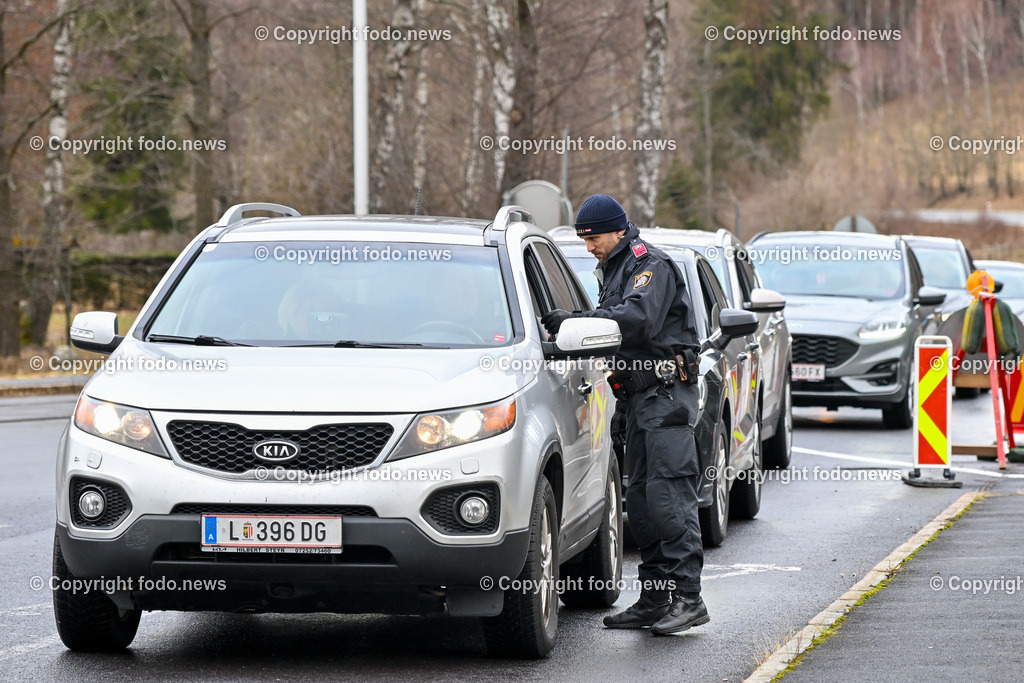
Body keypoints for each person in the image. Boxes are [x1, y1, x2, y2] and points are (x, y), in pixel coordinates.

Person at [541, 194, 708, 636]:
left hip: (666, 397)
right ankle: (655, 599)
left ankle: (690, 599)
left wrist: (580, 321)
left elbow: (635, 319)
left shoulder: (649, 265)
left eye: (593, 237)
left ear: (617, 230)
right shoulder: (615, 269)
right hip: (639, 400)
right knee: (643, 502)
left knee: (670, 497)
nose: (589, 247)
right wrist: (576, 320)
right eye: (583, 240)